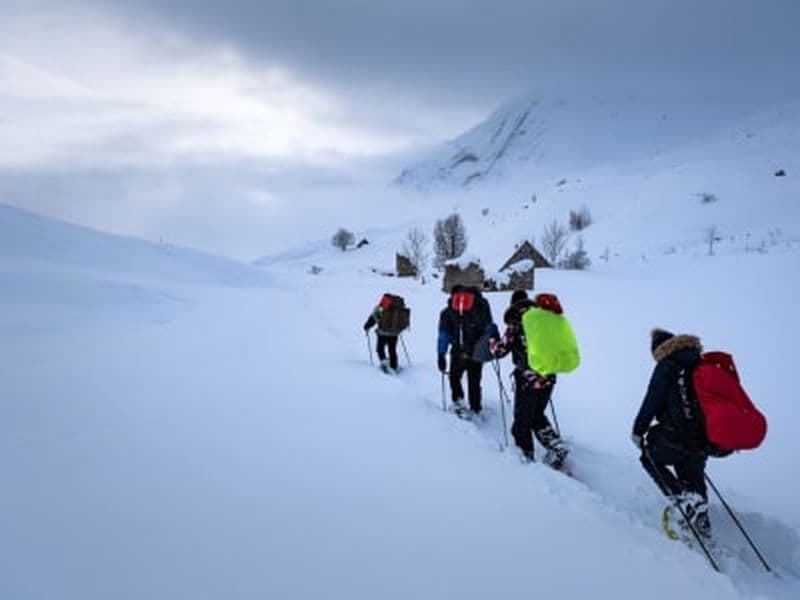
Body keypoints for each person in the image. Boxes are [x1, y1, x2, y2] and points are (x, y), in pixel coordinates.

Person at [631, 328, 711, 538]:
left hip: (675, 437)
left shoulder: (667, 366)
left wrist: (638, 431)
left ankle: (683, 500)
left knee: (649, 457)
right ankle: (702, 526)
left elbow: (652, 401)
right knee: (693, 476)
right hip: (703, 440)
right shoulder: (699, 363)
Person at [490, 289, 568, 468]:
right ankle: (555, 445)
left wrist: (492, 338)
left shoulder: (516, 322)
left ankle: (525, 459)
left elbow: (499, 351)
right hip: (549, 376)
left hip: (528, 378)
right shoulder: (545, 319)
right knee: (537, 415)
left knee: (522, 421)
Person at [437, 285, 497, 418]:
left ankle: (459, 402)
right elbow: (489, 327)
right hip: (477, 351)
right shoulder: (481, 308)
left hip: (458, 351)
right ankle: (476, 407)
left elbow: (444, 335)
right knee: (474, 380)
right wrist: (491, 346)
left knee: (454, 377)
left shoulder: (447, 312)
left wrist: (441, 354)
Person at [363, 294, 408, 373]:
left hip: (383, 332)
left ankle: (385, 364)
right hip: (395, 332)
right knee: (392, 350)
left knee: (380, 349)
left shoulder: (382, 306)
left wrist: (367, 326)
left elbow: (374, 317)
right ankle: (394, 366)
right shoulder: (398, 307)